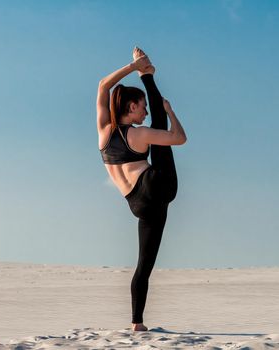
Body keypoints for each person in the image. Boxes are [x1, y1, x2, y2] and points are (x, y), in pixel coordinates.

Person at [96, 47, 187, 331]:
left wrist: (132, 65)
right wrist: (169, 112)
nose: (145, 110)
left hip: (137, 204)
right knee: (160, 127)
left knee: (143, 265)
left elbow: (103, 85)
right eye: (143, 105)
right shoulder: (139, 132)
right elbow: (180, 139)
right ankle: (148, 77)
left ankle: (137, 322)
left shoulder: (103, 133)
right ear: (132, 106)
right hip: (156, 186)